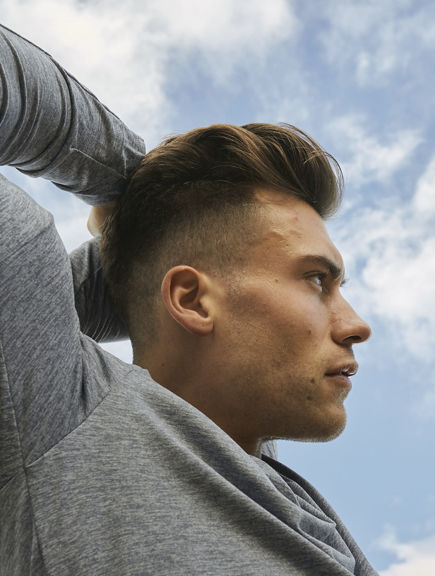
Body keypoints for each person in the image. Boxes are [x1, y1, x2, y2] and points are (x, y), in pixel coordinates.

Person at [0, 23, 376, 576]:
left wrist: (129, 273)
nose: (357, 325)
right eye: (317, 280)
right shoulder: (63, 416)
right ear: (193, 300)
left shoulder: (299, 511)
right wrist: (125, 174)